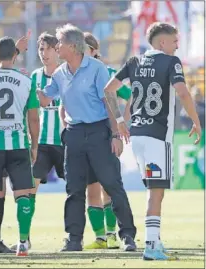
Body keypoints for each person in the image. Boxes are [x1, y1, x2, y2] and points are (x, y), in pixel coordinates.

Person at [104, 22, 202, 260]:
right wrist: (196, 121)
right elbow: (182, 92)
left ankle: (155, 240)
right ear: (162, 42)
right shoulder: (171, 62)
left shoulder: (134, 62)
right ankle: (151, 246)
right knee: (156, 192)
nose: (177, 45)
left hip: (136, 136)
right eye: (175, 41)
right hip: (157, 136)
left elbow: (108, 90)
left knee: (154, 189)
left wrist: (119, 120)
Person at [37, 24, 137, 252]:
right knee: (74, 188)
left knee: (112, 184)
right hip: (73, 134)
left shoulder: (96, 68)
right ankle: (74, 238)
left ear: (72, 46)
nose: (56, 46)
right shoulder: (60, 73)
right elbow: (45, 99)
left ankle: (128, 236)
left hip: (99, 132)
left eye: (59, 43)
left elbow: (108, 100)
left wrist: (115, 133)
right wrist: (31, 89)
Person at [0, 36, 40, 256]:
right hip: (19, 145)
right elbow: (33, 119)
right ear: (14, 55)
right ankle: (22, 244)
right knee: (23, 194)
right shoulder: (27, 81)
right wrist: (35, 146)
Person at [10, 32, 62, 251]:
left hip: (65, 141)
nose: (44, 53)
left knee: (83, 189)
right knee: (30, 189)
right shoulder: (34, 77)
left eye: (49, 48)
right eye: (41, 49)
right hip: (40, 143)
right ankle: (25, 237)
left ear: (58, 50)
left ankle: (92, 236)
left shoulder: (67, 74)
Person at [82, 32, 132, 250]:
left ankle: (112, 234)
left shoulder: (110, 72)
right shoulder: (75, 73)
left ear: (94, 50)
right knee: (90, 188)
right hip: (85, 137)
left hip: (107, 135)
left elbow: (131, 95)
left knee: (108, 186)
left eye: (84, 48)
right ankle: (100, 236)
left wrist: (123, 121)